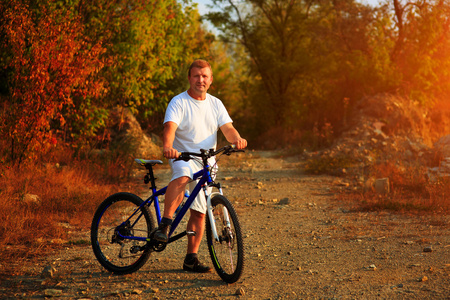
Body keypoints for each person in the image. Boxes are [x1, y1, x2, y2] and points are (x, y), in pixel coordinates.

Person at [155, 59, 247, 273]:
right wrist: (168, 146)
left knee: (199, 212)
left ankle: (190, 259)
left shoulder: (215, 103)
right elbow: (170, 127)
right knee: (183, 177)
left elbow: (228, 128)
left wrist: (238, 139)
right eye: (196, 76)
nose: (200, 80)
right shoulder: (178, 102)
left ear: (211, 80)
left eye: (205, 76)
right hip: (183, 157)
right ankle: (165, 224)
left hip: (208, 160)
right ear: (189, 78)